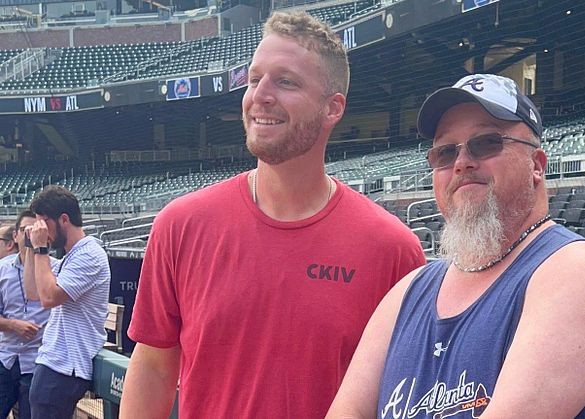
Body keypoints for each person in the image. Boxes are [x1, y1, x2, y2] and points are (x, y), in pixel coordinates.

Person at [120, 11, 425, 419]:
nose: (259, 95)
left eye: (285, 81)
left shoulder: (392, 248)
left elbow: (403, 391)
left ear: (332, 109)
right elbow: (155, 368)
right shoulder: (180, 225)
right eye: (253, 78)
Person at [326, 74, 585, 418]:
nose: (462, 162)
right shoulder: (407, 292)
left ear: (537, 165)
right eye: (445, 152)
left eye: (486, 143)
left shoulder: (577, 271)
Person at [25, 186, 111, 419]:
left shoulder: (89, 254)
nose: (42, 230)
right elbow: (33, 292)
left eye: (44, 223)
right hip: (55, 363)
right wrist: (31, 248)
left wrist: (41, 248)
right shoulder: (71, 255)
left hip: (66, 368)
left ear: (64, 219)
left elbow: (49, 298)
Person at [0, 211, 59, 419]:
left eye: (37, 230)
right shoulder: (2, 269)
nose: (31, 235)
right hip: (6, 358)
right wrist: (12, 325)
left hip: (39, 362)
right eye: (27, 230)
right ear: (15, 236)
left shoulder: (57, 269)